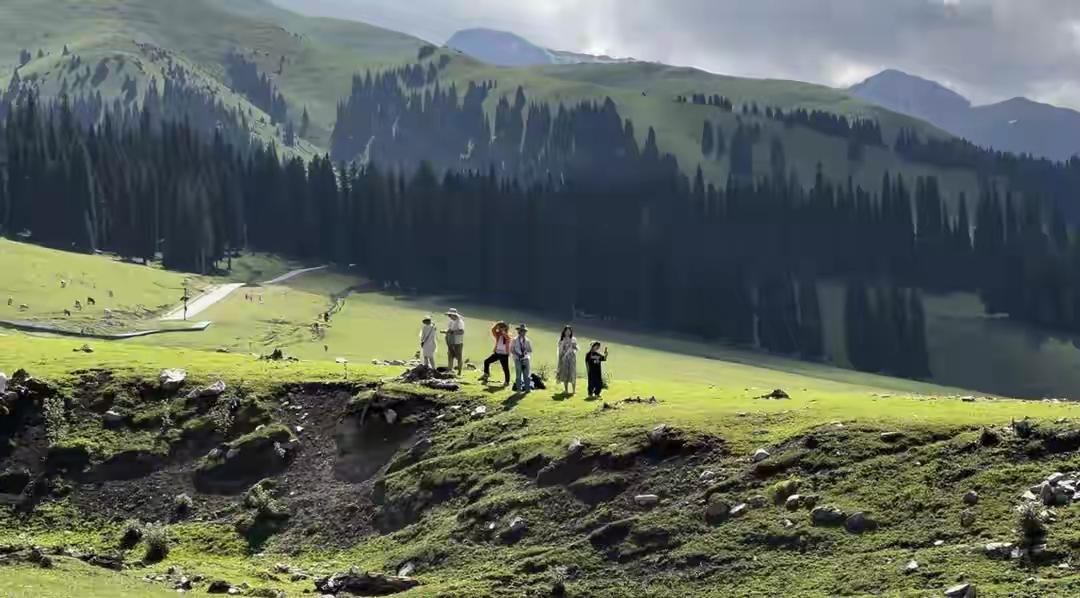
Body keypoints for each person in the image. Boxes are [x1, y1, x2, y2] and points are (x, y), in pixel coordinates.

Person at [481, 321, 512, 386]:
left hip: (504, 354)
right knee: (486, 361)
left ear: (505, 328)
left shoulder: (508, 335)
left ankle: (507, 382)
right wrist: (497, 324)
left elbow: (507, 338)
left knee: (505, 368)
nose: (500, 329)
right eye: (500, 327)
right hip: (497, 352)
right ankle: (486, 374)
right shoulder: (498, 334)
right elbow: (493, 330)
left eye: (502, 327)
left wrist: (503, 331)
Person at [556, 325, 579, 395]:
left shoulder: (574, 339)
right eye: (566, 331)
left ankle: (573, 390)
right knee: (565, 374)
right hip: (564, 359)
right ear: (564, 332)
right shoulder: (561, 340)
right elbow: (560, 350)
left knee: (572, 373)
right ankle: (566, 390)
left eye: (569, 331)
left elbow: (577, 349)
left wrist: (574, 346)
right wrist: (561, 358)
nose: (568, 332)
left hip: (572, 359)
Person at [511, 324, 533, 393]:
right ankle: (518, 389)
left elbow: (530, 350)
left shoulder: (527, 340)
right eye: (521, 331)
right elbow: (512, 350)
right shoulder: (514, 340)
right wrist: (518, 354)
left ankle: (527, 389)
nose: (523, 333)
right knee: (518, 373)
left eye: (524, 331)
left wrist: (526, 352)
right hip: (517, 359)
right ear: (519, 332)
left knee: (526, 374)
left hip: (525, 359)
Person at [444, 308, 466, 374]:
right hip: (451, 341)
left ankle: (459, 371)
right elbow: (449, 329)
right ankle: (449, 369)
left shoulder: (460, 322)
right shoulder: (450, 321)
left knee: (459, 357)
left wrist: (453, 332)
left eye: (450, 315)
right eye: (449, 315)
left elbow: (461, 331)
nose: (449, 316)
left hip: (458, 342)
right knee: (450, 355)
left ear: (454, 315)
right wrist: (447, 331)